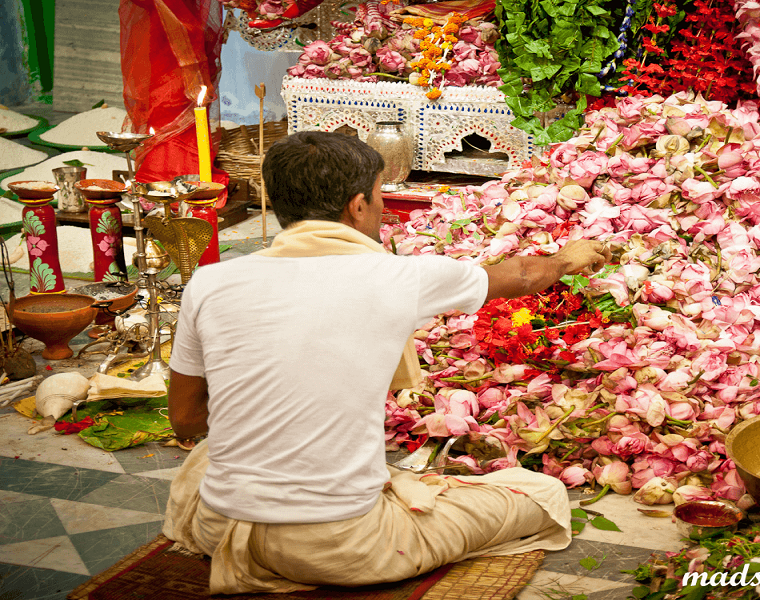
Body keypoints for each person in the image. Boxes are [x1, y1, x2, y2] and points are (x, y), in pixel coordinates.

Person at [163, 131, 611, 594]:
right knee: (542, 494)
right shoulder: (398, 278)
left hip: (221, 525)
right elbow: (518, 274)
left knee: (207, 457)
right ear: (357, 206)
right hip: (338, 545)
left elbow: (187, 419)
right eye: (379, 197)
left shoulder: (210, 282)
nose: (380, 209)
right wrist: (566, 258)